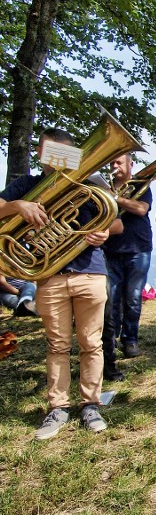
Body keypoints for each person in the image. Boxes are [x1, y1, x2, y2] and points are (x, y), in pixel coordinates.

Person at [0, 128, 123, 440]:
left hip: (90, 272)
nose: (55, 160)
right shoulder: (26, 185)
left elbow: (117, 220)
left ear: (74, 155)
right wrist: (18, 206)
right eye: (49, 152)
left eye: (63, 153)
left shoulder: (91, 182)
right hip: (49, 275)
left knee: (91, 343)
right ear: (40, 153)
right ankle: (58, 407)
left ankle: (91, 404)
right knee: (56, 345)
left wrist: (105, 232)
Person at [103, 153, 153, 359]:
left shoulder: (141, 185)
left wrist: (115, 198)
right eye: (112, 162)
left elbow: (142, 209)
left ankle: (130, 339)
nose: (115, 166)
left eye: (119, 162)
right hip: (110, 248)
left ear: (130, 164)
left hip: (138, 247)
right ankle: (111, 339)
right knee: (111, 298)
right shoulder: (104, 187)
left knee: (133, 298)